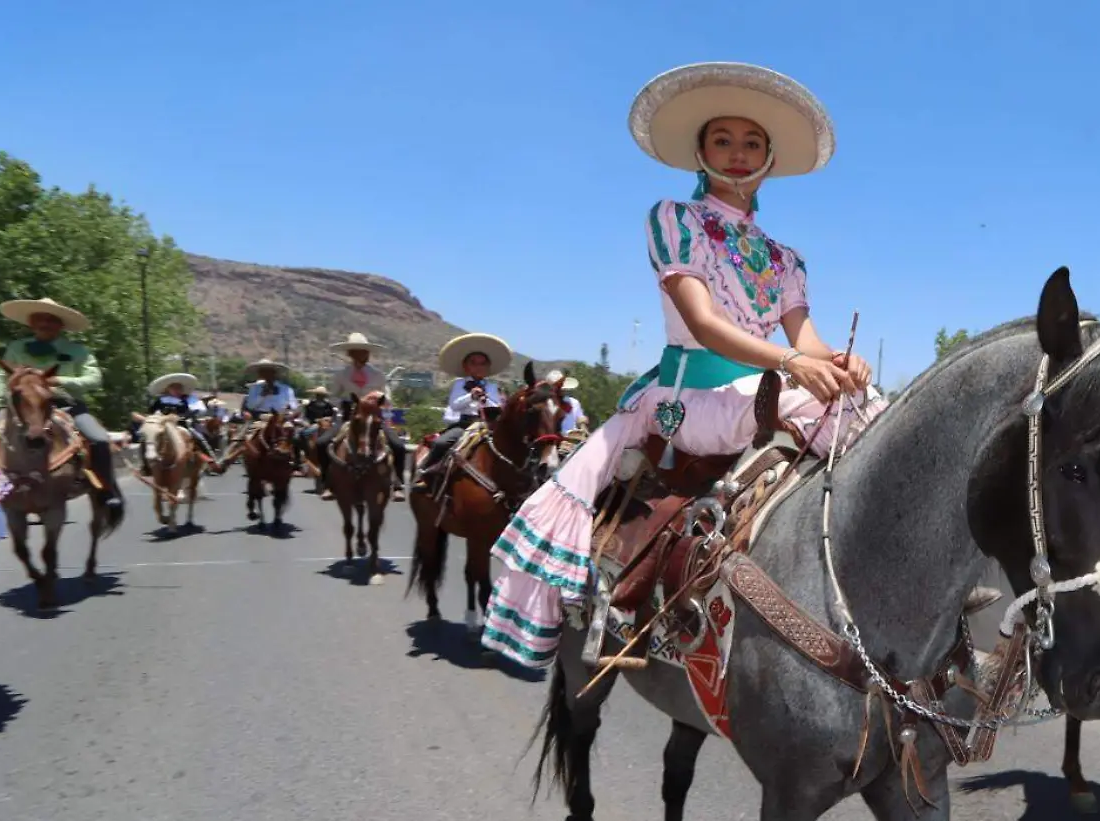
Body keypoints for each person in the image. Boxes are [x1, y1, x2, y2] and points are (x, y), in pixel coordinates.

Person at [479, 61, 880, 669]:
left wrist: (842, 363)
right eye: (724, 140)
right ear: (701, 150)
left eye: (752, 142)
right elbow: (704, 324)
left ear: (769, 157)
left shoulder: (785, 258)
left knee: (872, 410)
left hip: (763, 383)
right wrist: (796, 363)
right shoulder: (675, 220)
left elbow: (809, 340)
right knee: (807, 404)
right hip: (689, 396)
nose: (738, 153)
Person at [0, 297, 125, 521]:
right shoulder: (16, 348)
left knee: (100, 439)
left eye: (51, 320)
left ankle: (106, 489)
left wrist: (62, 381)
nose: (45, 324)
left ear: (61, 325)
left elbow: (94, 379)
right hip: (22, 407)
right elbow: (1, 378)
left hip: (67, 405)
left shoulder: (77, 350)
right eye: (40, 319)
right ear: (31, 323)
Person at [312, 332, 408, 499]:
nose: (362, 355)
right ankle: (327, 482)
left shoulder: (378, 374)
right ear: (350, 354)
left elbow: (388, 396)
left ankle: (397, 484)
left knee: (398, 445)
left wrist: (380, 399)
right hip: (349, 415)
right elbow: (333, 396)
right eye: (357, 352)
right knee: (322, 443)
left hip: (373, 417)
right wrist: (343, 403)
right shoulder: (341, 375)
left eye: (364, 352)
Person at [414, 333, 510, 480]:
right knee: (441, 443)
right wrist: (470, 396)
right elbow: (455, 405)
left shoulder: (492, 386)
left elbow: (497, 407)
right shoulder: (459, 384)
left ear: (488, 367)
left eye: (482, 363)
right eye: (474, 363)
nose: (479, 367)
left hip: (487, 425)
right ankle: (425, 474)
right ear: (466, 367)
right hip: (464, 425)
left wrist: (485, 399)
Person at [141, 372, 216, 474]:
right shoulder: (160, 400)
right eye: (174, 388)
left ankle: (210, 460)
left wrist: (186, 416)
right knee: (145, 439)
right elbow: (151, 412)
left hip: (181, 424)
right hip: (161, 425)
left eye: (179, 388)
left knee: (199, 437)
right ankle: (145, 465)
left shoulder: (184, 400)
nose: (177, 390)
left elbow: (189, 411)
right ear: (168, 389)